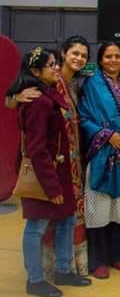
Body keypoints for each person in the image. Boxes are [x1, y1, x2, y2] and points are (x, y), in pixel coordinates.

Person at [5, 37, 92, 278]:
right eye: (74, 53)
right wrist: (15, 97)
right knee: (38, 225)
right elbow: (37, 146)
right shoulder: (37, 97)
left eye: (84, 55)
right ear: (65, 54)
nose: (79, 58)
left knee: (66, 219)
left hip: (66, 167)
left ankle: (64, 269)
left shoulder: (69, 86)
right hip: (46, 170)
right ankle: (37, 277)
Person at [78, 42, 120, 279]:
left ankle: (119, 255)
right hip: (102, 153)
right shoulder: (91, 85)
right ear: (100, 59)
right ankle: (98, 260)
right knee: (99, 206)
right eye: (108, 56)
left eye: (117, 56)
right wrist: (108, 135)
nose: (113, 60)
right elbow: (84, 116)